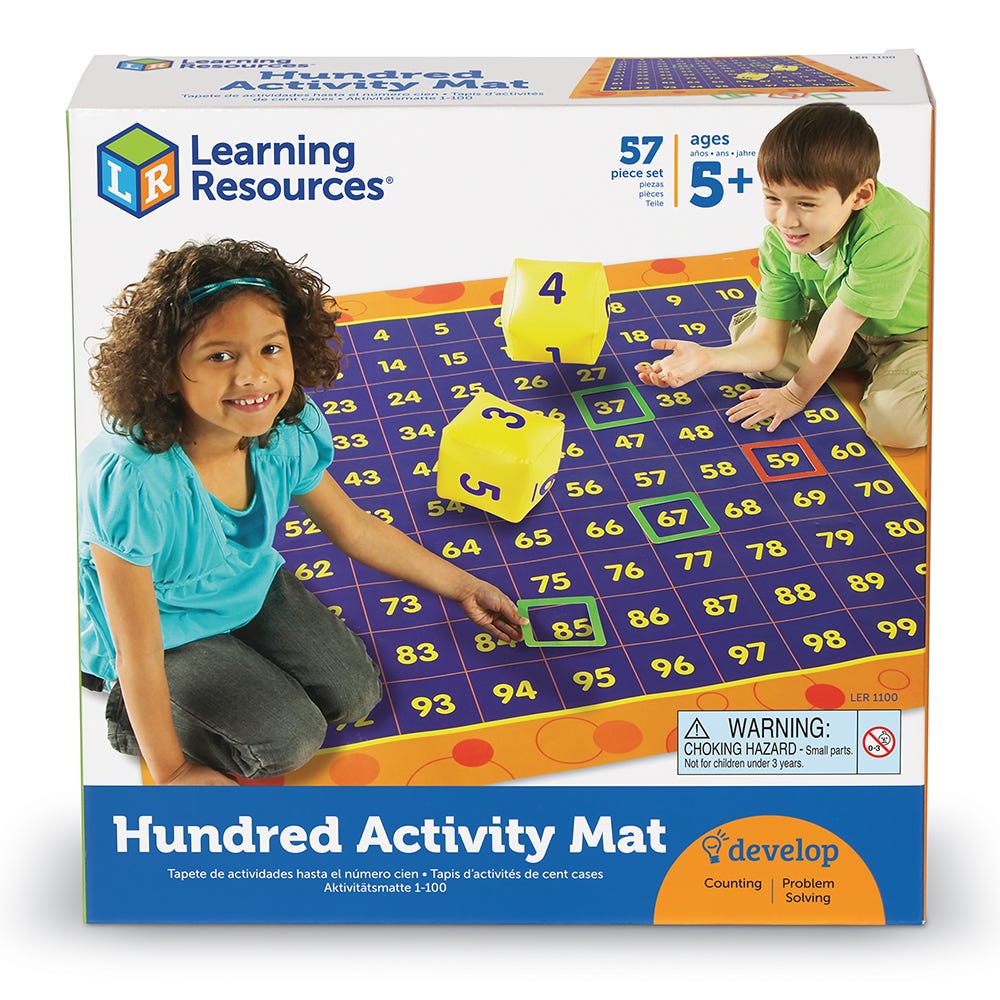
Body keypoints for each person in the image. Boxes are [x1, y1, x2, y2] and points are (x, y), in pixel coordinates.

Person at [79, 239, 526, 786]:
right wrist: (172, 771)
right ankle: (126, 710)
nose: (253, 376)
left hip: (244, 586)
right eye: (220, 356)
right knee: (288, 739)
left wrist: (463, 586)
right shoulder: (133, 480)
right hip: (163, 625)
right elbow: (139, 648)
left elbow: (354, 528)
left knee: (355, 694)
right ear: (167, 372)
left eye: (271, 348)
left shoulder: (286, 430)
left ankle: (224, 663)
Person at [636, 103, 929, 449]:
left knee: (897, 428)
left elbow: (839, 325)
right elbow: (768, 343)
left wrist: (794, 395)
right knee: (751, 347)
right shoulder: (782, 238)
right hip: (845, 327)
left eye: (806, 204)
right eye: (773, 198)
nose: (786, 220)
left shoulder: (894, 231)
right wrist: (710, 358)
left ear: (860, 195)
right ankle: (856, 364)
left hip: (914, 336)